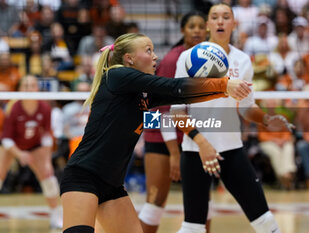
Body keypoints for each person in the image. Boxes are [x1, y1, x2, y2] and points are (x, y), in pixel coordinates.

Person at [59, 32, 252, 233]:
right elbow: (174, 87)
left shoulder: (142, 95)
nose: (155, 56)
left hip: (112, 185)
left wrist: (224, 91)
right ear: (129, 58)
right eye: (148, 50)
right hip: (83, 176)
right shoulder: (116, 76)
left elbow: (178, 96)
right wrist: (223, 84)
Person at [171, 4, 292, 233]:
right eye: (214, 17)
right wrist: (202, 143)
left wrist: (267, 119)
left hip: (231, 149)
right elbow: (176, 113)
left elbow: (246, 108)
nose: (220, 21)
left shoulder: (243, 60)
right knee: (193, 226)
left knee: (265, 221)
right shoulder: (188, 58)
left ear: (233, 23)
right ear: (207, 24)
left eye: (226, 17)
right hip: (196, 150)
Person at [139, 11, 208, 233]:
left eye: (200, 26)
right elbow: (160, 108)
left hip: (190, 134)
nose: (197, 30)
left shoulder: (209, 56)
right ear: (182, 31)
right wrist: (174, 154)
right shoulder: (172, 59)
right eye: (191, 26)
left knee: (202, 205)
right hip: (160, 131)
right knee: (155, 202)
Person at [0, 75, 62, 229]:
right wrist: (20, 154)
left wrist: (47, 161)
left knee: (48, 178)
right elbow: (6, 138)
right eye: (26, 85)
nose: (29, 88)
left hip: (35, 146)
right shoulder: (13, 107)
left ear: (37, 88)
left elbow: (47, 136)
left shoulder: (45, 107)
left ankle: (55, 216)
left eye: (32, 85)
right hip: (12, 146)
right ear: (20, 89)